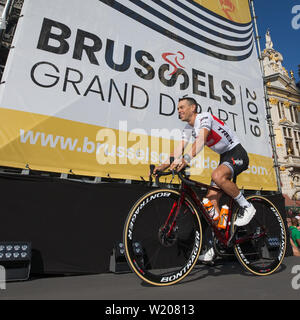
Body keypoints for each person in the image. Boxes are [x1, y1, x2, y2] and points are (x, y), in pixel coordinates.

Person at [153, 97, 255, 261]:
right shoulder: (188, 128)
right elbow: (179, 148)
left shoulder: (204, 117)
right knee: (210, 203)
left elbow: (200, 140)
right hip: (225, 157)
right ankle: (219, 243)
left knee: (216, 175)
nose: (178, 110)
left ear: (193, 108)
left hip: (237, 153)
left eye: (182, 107)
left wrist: (186, 159)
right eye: (178, 108)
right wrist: (163, 165)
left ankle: (247, 206)